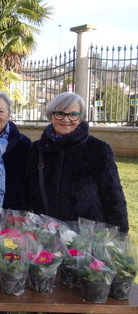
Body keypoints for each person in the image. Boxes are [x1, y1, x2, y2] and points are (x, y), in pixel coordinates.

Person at [25, 92, 129, 232]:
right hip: (45, 236)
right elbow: (28, 193)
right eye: (60, 113)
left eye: (73, 114)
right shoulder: (37, 149)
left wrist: (120, 236)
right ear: (51, 116)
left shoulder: (98, 149)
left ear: (81, 118)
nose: (66, 120)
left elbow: (113, 197)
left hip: (87, 239)